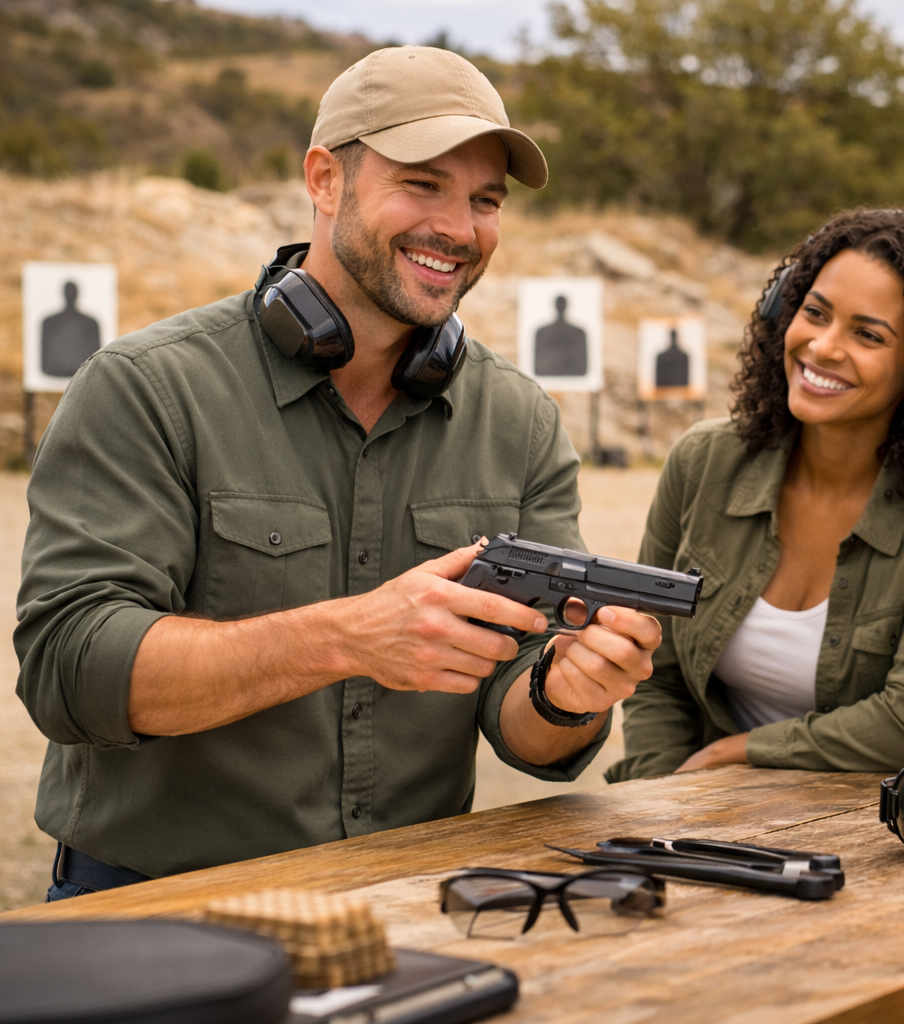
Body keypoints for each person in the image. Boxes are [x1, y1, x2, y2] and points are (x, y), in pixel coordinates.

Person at [15, 46, 660, 899]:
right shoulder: (145, 387)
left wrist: (563, 691)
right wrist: (349, 637)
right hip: (154, 905)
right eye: (423, 184)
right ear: (324, 180)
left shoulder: (522, 420)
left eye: (486, 200)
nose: (460, 229)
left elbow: (527, 726)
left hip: (409, 907)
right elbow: (70, 669)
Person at [606, 209, 904, 780]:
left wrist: (738, 752)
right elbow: (656, 668)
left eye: (868, 335)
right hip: (708, 811)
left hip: (889, 828)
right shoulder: (703, 462)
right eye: (815, 313)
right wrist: (659, 802)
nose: (823, 347)